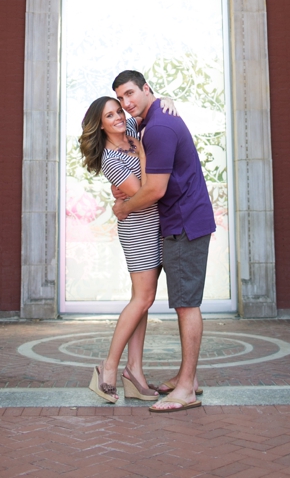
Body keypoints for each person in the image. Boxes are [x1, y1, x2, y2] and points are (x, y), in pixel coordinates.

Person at [111, 70, 216, 414]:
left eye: (130, 94)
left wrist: (124, 207)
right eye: (121, 98)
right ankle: (188, 377)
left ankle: (186, 388)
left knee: (187, 304)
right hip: (179, 220)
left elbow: (155, 189)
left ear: (146, 89)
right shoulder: (149, 121)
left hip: (184, 222)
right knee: (185, 301)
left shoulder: (157, 127)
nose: (126, 104)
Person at [79, 96, 171, 404]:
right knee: (142, 299)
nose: (119, 117)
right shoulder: (110, 159)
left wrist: (165, 100)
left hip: (157, 226)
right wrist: (144, 149)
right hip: (138, 229)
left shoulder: (132, 125)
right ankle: (108, 368)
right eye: (110, 115)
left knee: (144, 302)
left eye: (118, 110)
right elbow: (148, 191)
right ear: (100, 124)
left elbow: (150, 111)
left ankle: (135, 372)